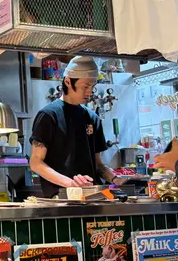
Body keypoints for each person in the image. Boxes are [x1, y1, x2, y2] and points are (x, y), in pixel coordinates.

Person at [29, 56, 123, 197]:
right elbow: (36, 162)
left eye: (92, 87)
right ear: (68, 81)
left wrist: (115, 178)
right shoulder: (49, 115)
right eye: (85, 86)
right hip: (61, 198)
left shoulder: (93, 118)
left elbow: (98, 164)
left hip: (93, 196)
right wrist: (70, 183)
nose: (89, 92)